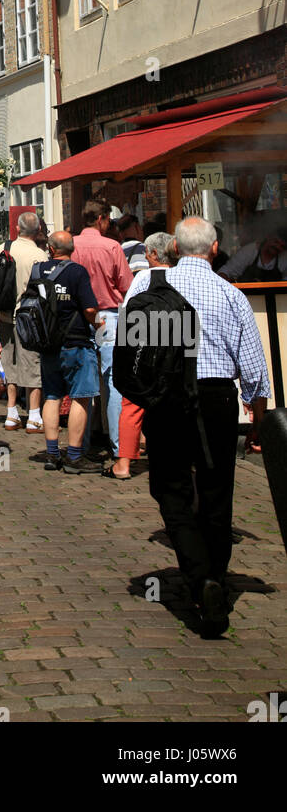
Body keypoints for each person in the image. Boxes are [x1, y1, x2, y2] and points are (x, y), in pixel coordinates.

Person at [121, 217, 270, 635]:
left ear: (173, 249)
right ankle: (214, 581)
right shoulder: (229, 293)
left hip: (167, 397)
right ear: (216, 247)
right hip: (217, 397)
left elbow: (129, 348)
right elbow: (255, 371)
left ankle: (200, 575)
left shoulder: (148, 289)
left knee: (170, 489)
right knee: (217, 489)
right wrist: (257, 421)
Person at [104, 231, 175, 481]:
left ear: (154, 254)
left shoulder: (144, 277)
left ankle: (124, 463)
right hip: (174, 347)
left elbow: (128, 311)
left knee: (132, 403)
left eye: (146, 253)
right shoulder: (181, 276)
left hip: (144, 347)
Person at [37, 231, 104, 474]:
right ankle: (74, 455)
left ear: (51, 249)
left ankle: (52, 454)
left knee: (52, 395)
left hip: (47, 342)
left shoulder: (38, 270)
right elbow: (88, 307)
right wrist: (98, 324)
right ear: (72, 249)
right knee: (81, 396)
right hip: (75, 341)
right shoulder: (77, 272)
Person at [72, 199, 133, 460]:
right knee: (113, 383)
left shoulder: (71, 245)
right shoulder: (111, 247)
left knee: (82, 386)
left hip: (79, 319)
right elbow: (126, 285)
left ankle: (80, 446)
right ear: (101, 219)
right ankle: (119, 446)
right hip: (108, 316)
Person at [0, 211, 47, 434]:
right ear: (38, 230)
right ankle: (33, 415)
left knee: (10, 363)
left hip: (4, 314)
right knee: (32, 364)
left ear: (17, 229)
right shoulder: (39, 255)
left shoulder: (5, 247)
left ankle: (11, 414)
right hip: (29, 317)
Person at [218, 231, 287, 283]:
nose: (277, 247)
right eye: (276, 242)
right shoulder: (249, 251)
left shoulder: (284, 258)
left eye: (282, 246)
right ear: (268, 237)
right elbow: (225, 272)